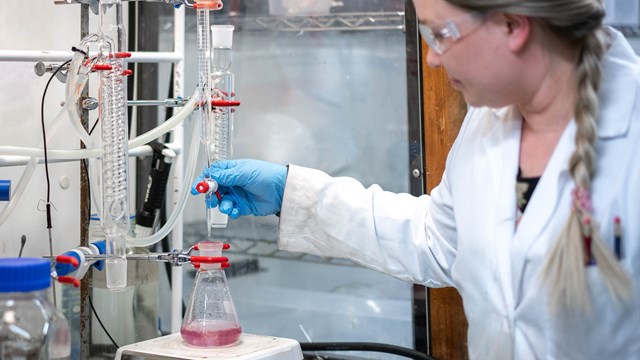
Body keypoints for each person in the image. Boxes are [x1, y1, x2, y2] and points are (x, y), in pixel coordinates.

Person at [193, 0, 640, 358]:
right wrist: (292, 194)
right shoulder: (491, 121)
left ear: (512, 25)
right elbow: (437, 240)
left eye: (439, 33)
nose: (430, 59)